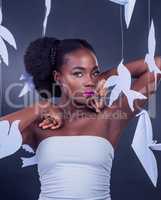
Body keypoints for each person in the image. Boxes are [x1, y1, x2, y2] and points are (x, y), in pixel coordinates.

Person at [0, 37, 161, 200]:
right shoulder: (40, 123)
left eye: (94, 72)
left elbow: (157, 65)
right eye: (78, 73)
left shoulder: (110, 117)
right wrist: (43, 107)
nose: (89, 82)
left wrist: (104, 77)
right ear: (58, 77)